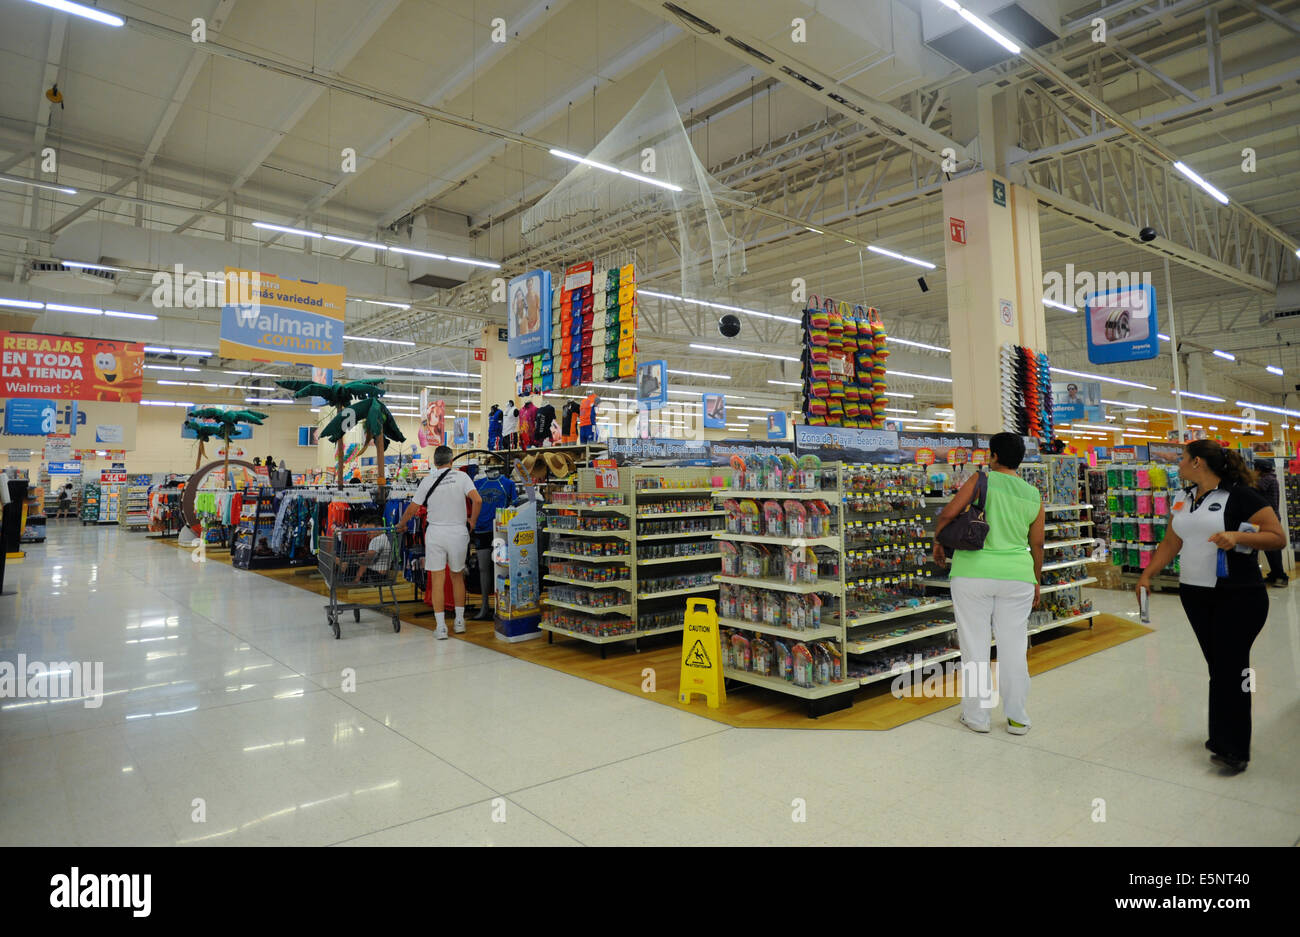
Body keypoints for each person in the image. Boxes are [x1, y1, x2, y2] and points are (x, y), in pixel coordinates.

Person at [1136, 441, 1284, 774]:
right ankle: (1220, 739)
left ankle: (1234, 748)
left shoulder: (1241, 495)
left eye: (1183, 459)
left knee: (1232, 667)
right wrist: (1147, 574)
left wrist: (1238, 536)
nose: (1178, 464)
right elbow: (1172, 542)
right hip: (1196, 595)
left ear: (1198, 462)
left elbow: (1277, 537)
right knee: (1219, 668)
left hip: (1239, 595)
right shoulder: (1183, 498)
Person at [932, 432, 1045, 736]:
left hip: (973, 574)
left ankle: (977, 716)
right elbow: (1037, 544)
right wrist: (1035, 579)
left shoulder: (981, 480)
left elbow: (949, 512)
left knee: (975, 647)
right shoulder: (1032, 493)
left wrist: (938, 540)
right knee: (1014, 648)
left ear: (993, 455)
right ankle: (1018, 717)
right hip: (1018, 576)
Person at [397, 445, 481, 639]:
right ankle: (459, 622)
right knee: (457, 576)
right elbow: (477, 501)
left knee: (437, 579)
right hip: (458, 532)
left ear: (435, 462)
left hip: (435, 534)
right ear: (451, 461)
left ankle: (441, 627)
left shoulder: (428, 480)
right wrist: (472, 522)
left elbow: (412, 508)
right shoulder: (462, 477)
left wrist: (402, 524)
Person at [1253, 459, 1288, 587]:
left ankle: (1281, 576)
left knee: (1273, 551)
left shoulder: (1268, 479)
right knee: (1269, 549)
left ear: (1260, 469)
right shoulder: (1271, 478)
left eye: (1255, 468)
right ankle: (1275, 574)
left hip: (1269, 519)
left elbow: (1255, 488)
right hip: (1270, 517)